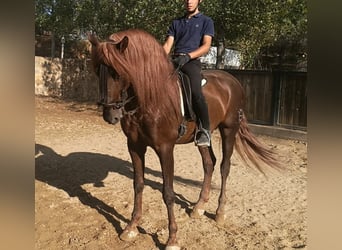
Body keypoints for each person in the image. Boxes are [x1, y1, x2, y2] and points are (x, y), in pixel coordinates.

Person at [163, 0, 214, 147]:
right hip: (175, 60)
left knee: (196, 92)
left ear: (199, 1)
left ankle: (205, 130)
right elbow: (167, 46)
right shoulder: (176, 22)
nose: (189, 2)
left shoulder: (206, 21)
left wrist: (188, 56)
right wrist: (155, 59)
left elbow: (206, 46)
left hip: (191, 62)